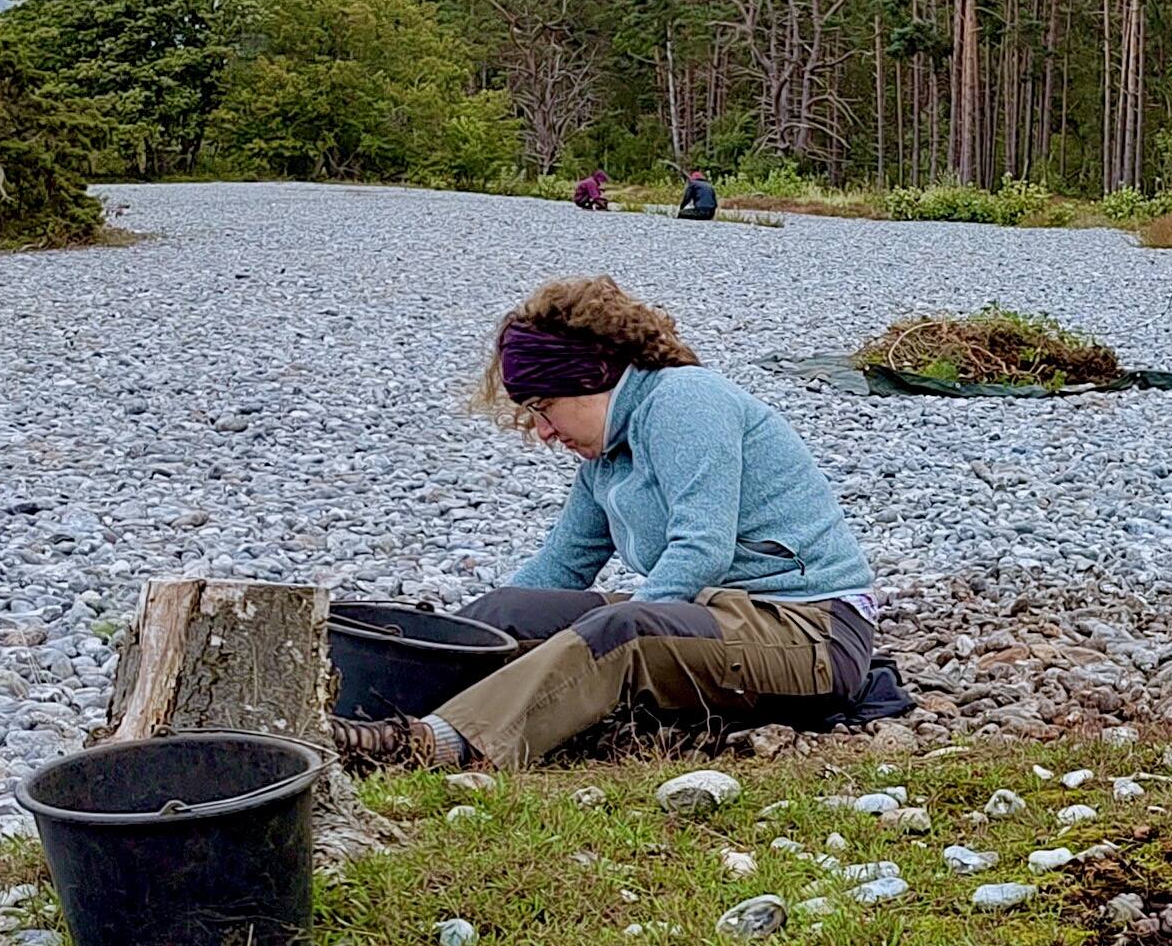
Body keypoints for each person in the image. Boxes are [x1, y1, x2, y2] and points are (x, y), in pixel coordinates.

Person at [330, 276, 880, 773]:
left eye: (544, 407)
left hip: (812, 633)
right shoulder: (606, 454)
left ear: (591, 379)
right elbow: (560, 566)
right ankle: (362, 718)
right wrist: (464, 633)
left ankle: (434, 745)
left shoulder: (686, 402)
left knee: (623, 633)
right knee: (508, 610)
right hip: (718, 616)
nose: (543, 431)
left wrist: (612, 626)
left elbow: (702, 547)